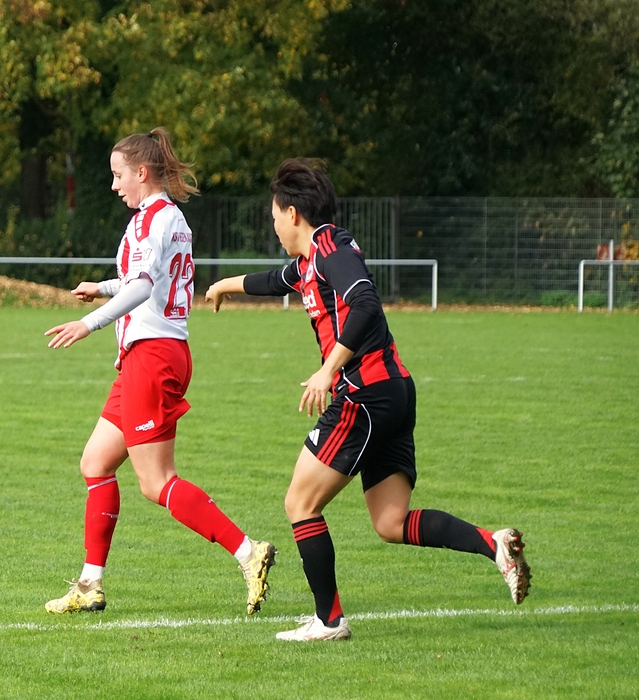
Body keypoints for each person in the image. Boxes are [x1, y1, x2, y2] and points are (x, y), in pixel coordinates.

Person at [204, 158, 531, 641]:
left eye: (273, 215)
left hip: (364, 394)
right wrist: (222, 285)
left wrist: (328, 368)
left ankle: (329, 620)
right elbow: (274, 281)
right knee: (391, 521)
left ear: (292, 213)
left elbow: (365, 303)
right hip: (393, 392)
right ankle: (493, 543)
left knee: (300, 502)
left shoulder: (330, 248)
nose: (272, 225)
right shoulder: (310, 261)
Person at [43, 127, 276, 616]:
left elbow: (145, 286)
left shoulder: (156, 218)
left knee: (156, 481)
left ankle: (248, 552)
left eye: (118, 175)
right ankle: (89, 584)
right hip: (145, 356)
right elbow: (142, 279)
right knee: (95, 463)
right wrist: (103, 287)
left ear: (141, 172)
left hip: (153, 357)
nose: (114, 185)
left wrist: (89, 323)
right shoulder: (161, 217)